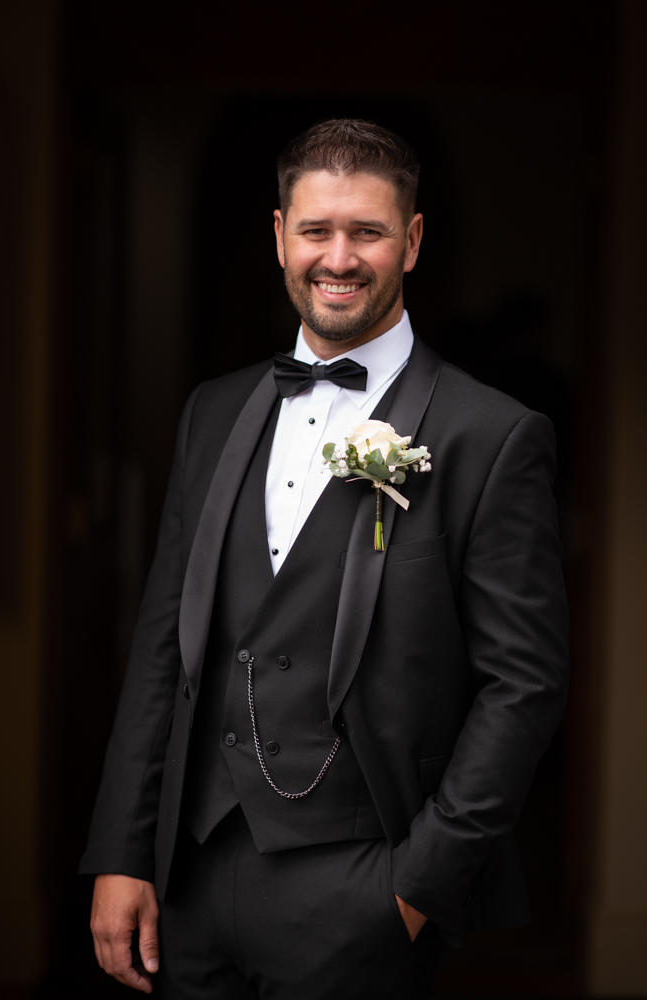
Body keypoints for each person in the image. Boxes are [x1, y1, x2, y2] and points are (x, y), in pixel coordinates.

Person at [80, 119, 569, 999]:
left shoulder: (491, 435)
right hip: (188, 874)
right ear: (279, 237)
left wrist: (415, 887)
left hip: (361, 885)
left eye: (367, 232)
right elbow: (164, 645)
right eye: (315, 231)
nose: (337, 258)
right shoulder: (212, 410)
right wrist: (123, 849)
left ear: (410, 242)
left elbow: (523, 684)